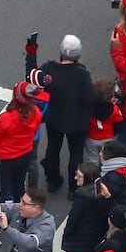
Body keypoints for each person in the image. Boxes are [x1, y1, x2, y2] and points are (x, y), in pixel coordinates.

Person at [0, 85, 44, 238]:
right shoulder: (36, 114)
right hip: (24, 155)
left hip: (5, 159)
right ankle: (19, 220)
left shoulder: (5, 118)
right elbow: (33, 133)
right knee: (18, 188)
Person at [41, 37, 96, 194]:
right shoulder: (82, 74)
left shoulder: (48, 69)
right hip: (76, 121)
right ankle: (74, 187)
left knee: (53, 148)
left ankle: (52, 179)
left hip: (54, 118)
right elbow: (90, 97)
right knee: (76, 153)